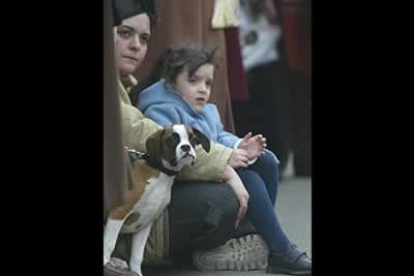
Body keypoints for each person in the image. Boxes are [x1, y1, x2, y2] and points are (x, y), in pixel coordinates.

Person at [106, 1, 268, 276]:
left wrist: (235, 149)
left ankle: (258, 242)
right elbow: (139, 132)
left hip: (150, 196)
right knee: (220, 200)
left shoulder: (126, 85)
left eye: (144, 38)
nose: (136, 45)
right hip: (130, 209)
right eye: (124, 33)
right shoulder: (138, 97)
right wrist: (224, 165)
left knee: (262, 164)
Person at [136, 43, 312, 275]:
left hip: (210, 173)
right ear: (170, 82)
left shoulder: (207, 110)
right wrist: (229, 157)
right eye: (194, 81)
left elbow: (219, 135)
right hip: (182, 183)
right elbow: (179, 156)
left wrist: (240, 145)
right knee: (249, 178)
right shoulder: (162, 110)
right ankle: (279, 249)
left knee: (266, 161)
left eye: (208, 83)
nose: (203, 89)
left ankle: (254, 237)